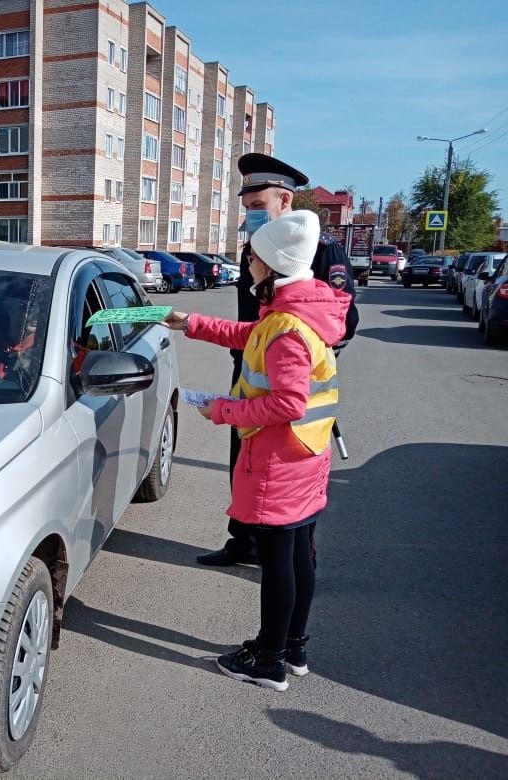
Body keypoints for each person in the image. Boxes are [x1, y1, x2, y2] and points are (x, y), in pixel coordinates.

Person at [164, 210, 351, 690]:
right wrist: (191, 323)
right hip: (306, 456)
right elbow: (249, 336)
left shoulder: (287, 327)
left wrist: (224, 411)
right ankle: (294, 648)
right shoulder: (297, 314)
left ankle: (268, 659)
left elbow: (286, 402)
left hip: (279, 460)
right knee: (299, 555)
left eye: (253, 260)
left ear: (272, 266)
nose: (247, 267)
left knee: (279, 560)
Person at [197, 152, 359, 567]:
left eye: (257, 207)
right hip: (249, 373)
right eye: (246, 208)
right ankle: (244, 541)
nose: (249, 216)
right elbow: (249, 322)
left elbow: (343, 321)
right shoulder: (254, 250)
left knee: (289, 488)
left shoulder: (321, 251)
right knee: (244, 462)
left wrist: (296, 358)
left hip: (291, 384)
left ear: (284, 201)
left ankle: (293, 561)